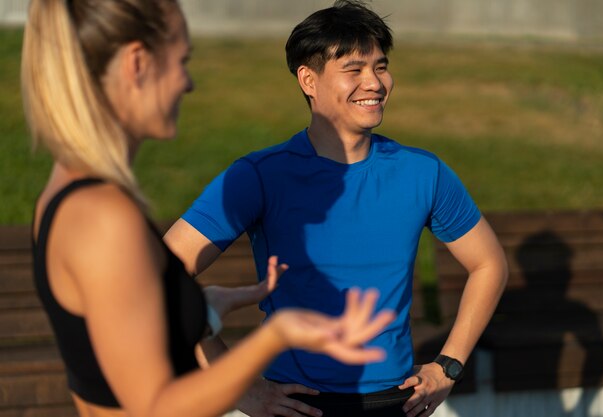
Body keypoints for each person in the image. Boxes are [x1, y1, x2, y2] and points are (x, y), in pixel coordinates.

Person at [22, 1, 397, 417]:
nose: (188, 83)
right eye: (182, 61)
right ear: (137, 64)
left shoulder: (68, 190)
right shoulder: (105, 217)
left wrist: (200, 308)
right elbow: (156, 408)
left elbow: (113, 345)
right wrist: (275, 339)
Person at [165, 1, 508, 416]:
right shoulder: (259, 176)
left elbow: (488, 264)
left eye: (381, 67)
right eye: (354, 69)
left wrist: (447, 366)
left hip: (395, 404)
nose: (375, 83)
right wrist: (240, 390)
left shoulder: (423, 172)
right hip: (298, 406)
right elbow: (163, 277)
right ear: (308, 80)